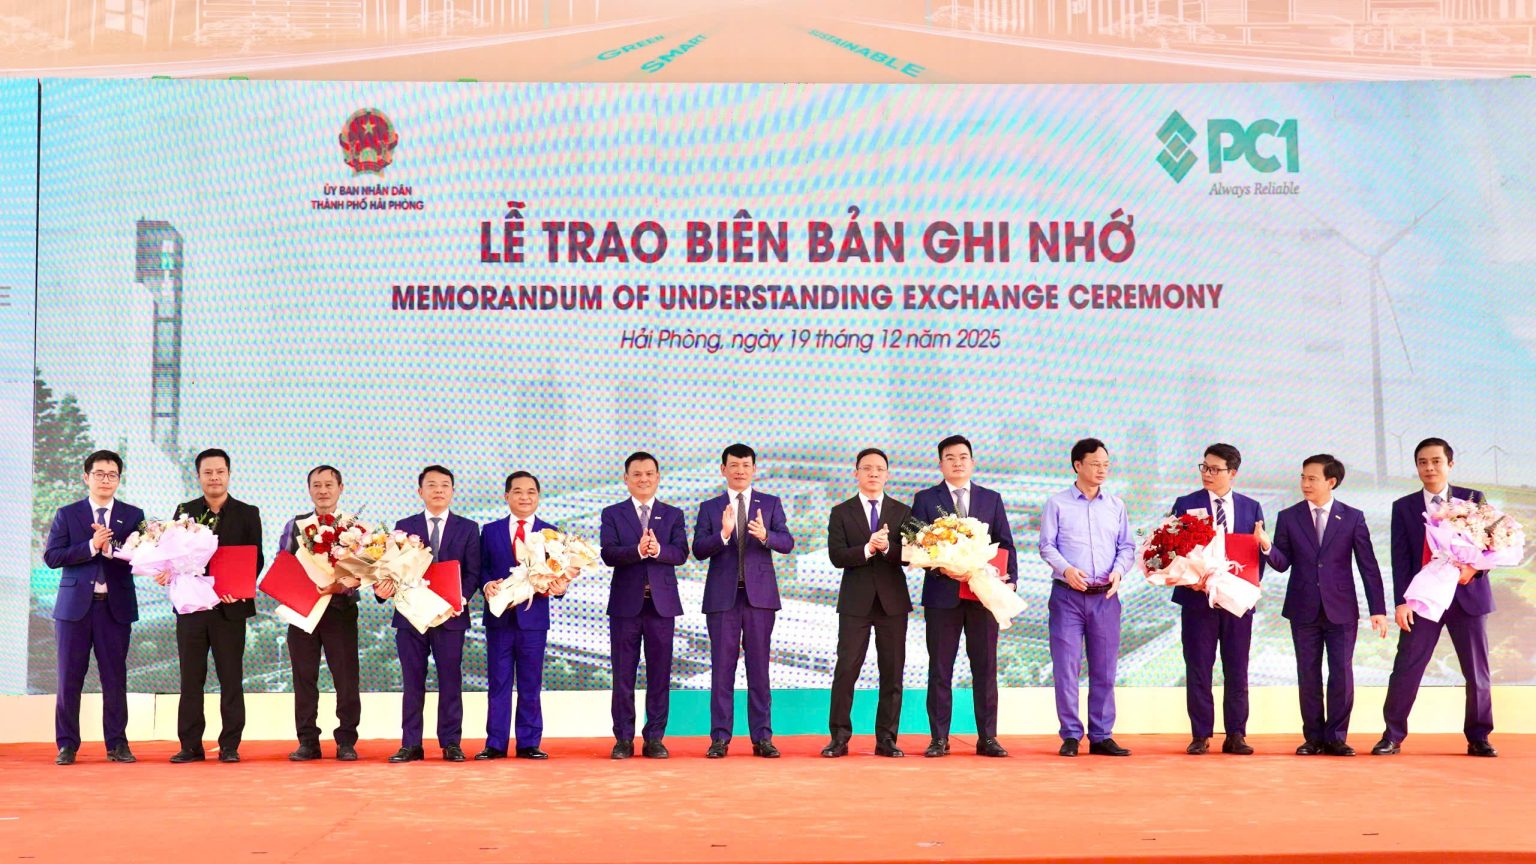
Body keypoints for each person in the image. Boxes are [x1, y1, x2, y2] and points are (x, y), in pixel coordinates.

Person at [1374, 438, 1497, 758]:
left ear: (1450, 464)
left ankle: (1479, 737)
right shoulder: (1404, 507)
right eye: (1422, 462)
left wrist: (1474, 569)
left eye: (1436, 461)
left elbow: (1490, 546)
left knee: (1477, 672)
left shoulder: (1473, 498)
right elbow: (1401, 558)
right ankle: (1392, 735)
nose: (1429, 467)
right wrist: (1402, 602)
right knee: (1406, 668)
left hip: (1467, 596)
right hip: (1424, 600)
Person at [1265, 454, 1388, 757]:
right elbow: (1282, 564)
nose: (1305, 484)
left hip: (1341, 608)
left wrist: (1378, 609)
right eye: (1303, 477)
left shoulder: (1353, 517)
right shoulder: (1288, 516)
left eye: (1312, 478)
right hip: (1302, 607)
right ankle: (1313, 738)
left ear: (1331, 482)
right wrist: (1266, 546)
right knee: (1308, 674)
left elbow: (1368, 566)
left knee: (1341, 673)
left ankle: (1336, 737)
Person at [913, 435, 1017, 758]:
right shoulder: (925, 499)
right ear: (940, 464)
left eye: (962, 457)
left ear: (972, 462)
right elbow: (914, 543)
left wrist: (1009, 581)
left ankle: (988, 738)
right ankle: (939, 739)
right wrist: (942, 568)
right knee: (940, 669)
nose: (957, 463)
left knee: (985, 669)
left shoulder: (991, 499)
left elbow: (1005, 544)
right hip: (942, 596)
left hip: (981, 595)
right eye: (950, 458)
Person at [692, 443, 794, 758]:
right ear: (723, 469)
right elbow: (698, 550)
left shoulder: (771, 503)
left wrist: (765, 535)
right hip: (722, 600)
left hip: (759, 600)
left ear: (754, 469)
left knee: (759, 670)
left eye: (746, 465)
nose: (740, 471)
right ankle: (719, 739)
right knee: (722, 670)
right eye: (734, 465)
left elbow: (787, 542)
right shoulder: (710, 507)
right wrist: (723, 534)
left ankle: (762, 738)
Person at [43, 450, 144, 765]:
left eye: (112, 475)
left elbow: (142, 557)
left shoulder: (133, 515)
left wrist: (111, 549)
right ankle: (67, 745)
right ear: (86, 477)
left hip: (114, 608)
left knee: (114, 678)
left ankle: (117, 743)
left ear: (119, 479)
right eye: (99, 474)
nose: (105, 480)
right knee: (69, 679)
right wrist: (91, 546)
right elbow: (52, 557)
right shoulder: (67, 514)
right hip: (73, 610)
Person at [1169, 443, 1267, 756]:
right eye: (1204, 467)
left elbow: (1257, 556)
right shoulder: (1186, 504)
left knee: (1237, 669)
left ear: (1232, 473)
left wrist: (1246, 586)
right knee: (1199, 667)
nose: (1207, 474)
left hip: (1236, 602)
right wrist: (1190, 578)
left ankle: (1236, 734)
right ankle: (1200, 734)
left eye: (1215, 469)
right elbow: (1172, 550)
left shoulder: (1251, 507)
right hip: (1197, 600)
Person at [1039, 438, 1135, 757]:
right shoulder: (1057, 504)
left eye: (1106, 464)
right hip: (1067, 597)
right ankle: (1070, 734)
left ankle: (1101, 735)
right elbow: (1046, 545)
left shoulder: (1116, 505)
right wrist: (1066, 570)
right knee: (1066, 667)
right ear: (1077, 465)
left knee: (1104, 669)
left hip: (1105, 597)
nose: (1102, 470)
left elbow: (1127, 547)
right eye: (1095, 464)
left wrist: (1119, 571)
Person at [170, 448, 262, 764]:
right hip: (193, 609)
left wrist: (238, 586)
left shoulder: (247, 513)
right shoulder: (185, 511)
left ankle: (230, 745)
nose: (214, 477)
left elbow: (256, 558)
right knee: (190, 678)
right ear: (198, 476)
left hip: (229, 608)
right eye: (207, 472)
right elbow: (174, 553)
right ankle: (190, 745)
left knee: (231, 678)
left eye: (220, 471)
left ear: (229, 474)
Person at [384, 465, 480, 763]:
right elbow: (391, 568)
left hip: (450, 616)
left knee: (450, 681)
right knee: (412, 681)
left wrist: (459, 598)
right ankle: (410, 743)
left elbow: (473, 572)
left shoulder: (468, 527)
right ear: (420, 491)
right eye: (432, 485)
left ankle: (451, 743)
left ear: (452, 491)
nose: (438, 490)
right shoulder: (404, 526)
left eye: (444, 485)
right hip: (411, 617)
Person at [822, 447, 912, 758]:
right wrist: (867, 549)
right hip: (855, 603)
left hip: (893, 603)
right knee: (846, 670)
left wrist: (887, 548)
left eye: (879, 469)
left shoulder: (903, 512)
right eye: (867, 468)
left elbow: (911, 556)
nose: (873, 473)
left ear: (887, 475)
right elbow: (836, 556)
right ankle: (839, 738)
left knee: (893, 673)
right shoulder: (841, 512)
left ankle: (887, 739)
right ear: (856, 473)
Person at [599, 452, 687, 760]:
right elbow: (608, 553)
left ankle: (655, 739)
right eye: (636, 474)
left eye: (649, 473)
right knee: (623, 675)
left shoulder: (673, 514)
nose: (643, 479)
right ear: (626, 479)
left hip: (662, 607)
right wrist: (637, 551)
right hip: (625, 606)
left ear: (658, 477)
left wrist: (659, 549)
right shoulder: (612, 513)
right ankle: (623, 739)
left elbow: (681, 553)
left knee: (659, 675)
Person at [277, 465, 361, 762]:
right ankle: (307, 741)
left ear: (340, 488)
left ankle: (346, 741)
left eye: (329, 485)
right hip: (303, 609)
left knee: (346, 679)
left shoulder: (354, 528)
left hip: (340, 610)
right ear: (309, 489)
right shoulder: (296, 525)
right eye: (317, 485)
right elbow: (282, 562)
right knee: (304, 678)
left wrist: (342, 585)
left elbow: (365, 571)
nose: (323, 490)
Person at [479, 471, 561, 760]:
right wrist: (486, 585)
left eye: (531, 492)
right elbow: (482, 568)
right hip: (499, 619)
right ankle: (495, 744)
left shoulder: (551, 533)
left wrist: (560, 586)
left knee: (530, 683)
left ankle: (529, 742)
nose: (524, 497)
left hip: (533, 621)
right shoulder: (490, 531)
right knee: (498, 683)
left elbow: (559, 574)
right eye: (518, 491)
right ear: (507, 496)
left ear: (538, 497)